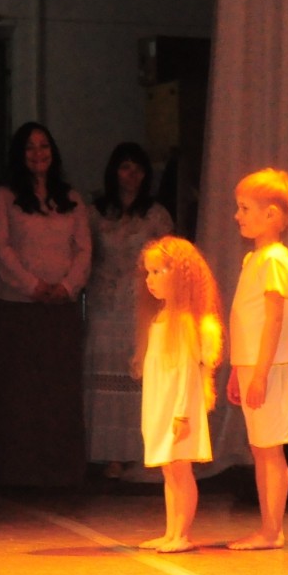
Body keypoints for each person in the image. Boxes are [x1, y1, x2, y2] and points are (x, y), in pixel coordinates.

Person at [0, 121, 92, 488]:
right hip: (16, 310)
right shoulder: (4, 197)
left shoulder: (71, 198)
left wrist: (66, 286)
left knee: (56, 393)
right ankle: (12, 472)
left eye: (44, 146)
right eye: (30, 147)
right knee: (17, 393)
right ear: (19, 155)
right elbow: (0, 248)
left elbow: (84, 249)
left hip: (59, 311)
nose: (38, 153)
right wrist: (33, 285)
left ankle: (57, 473)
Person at [224, 169, 288, 551]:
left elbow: (274, 319)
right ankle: (268, 527)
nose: (237, 216)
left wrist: (260, 373)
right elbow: (249, 320)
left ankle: (272, 530)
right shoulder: (254, 259)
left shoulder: (274, 259)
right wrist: (238, 370)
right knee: (260, 448)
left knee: (269, 449)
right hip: (254, 366)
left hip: (269, 367)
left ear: (272, 215)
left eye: (245, 208)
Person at [85, 142, 174, 478]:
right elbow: (84, 254)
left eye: (138, 168)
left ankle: (137, 452)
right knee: (104, 380)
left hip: (141, 304)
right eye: (125, 167)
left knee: (137, 376)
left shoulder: (156, 215)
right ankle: (107, 454)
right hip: (103, 304)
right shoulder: (95, 213)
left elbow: (171, 261)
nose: (132, 174)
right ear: (114, 171)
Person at [135, 236, 223, 551]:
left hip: (178, 409)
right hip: (162, 405)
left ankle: (182, 535)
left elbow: (187, 372)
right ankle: (171, 532)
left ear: (180, 276)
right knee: (169, 471)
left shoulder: (184, 321)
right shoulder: (161, 318)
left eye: (158, 272)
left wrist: (182, 413)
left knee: (180, 471)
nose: (150, 280)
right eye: (148, 272)